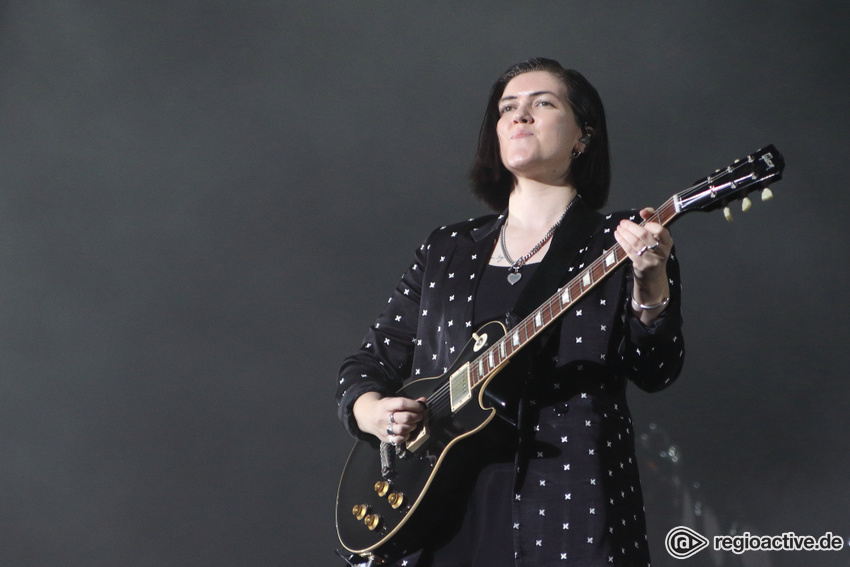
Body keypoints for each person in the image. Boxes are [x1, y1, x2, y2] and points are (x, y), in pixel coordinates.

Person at [336, 57, 684, 567]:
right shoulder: (448, 247)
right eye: (507, 109)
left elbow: (656, 369)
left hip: (569, 502)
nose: (520, 116)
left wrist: (650, 281)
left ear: (583, 137)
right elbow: (367, 364)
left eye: (542, 103)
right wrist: (373, 412)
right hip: (438, 510)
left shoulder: (623, 239)